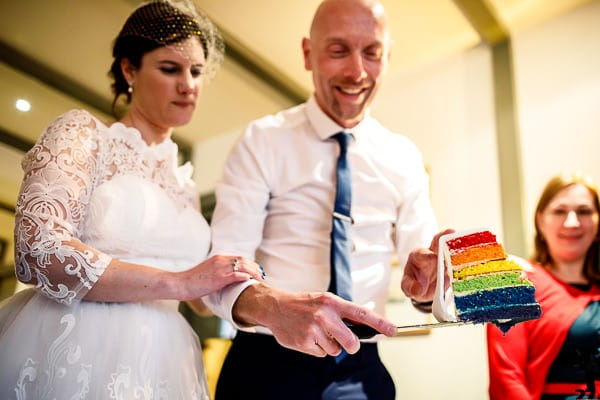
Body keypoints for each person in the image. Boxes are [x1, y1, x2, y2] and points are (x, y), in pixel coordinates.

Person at [0, 1, 266, 398]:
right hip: (74, 345)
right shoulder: (83, 135)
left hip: (164, 361)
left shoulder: (184, 184)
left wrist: (242, 281)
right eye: (169, 68)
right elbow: (38, 251)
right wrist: (179, 281)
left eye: (196, 71)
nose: (188, 85)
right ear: (129, 70)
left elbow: (198, 297)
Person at [202, 0, 445, 398]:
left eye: (372, 53)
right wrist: (274, 306)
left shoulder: (404, 157)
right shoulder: (262, 141)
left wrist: (428, 284)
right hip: (265, 363)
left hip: (361, 369)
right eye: (338, 50)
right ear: (307, 53)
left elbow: (426, 271)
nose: (357, 71)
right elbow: (220, 274)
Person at [487, 173, 600, 400]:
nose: (572, 222)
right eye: (559, 211)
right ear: (540, 220)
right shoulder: (514, 286)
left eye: (584, 211)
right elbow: (507, 380)